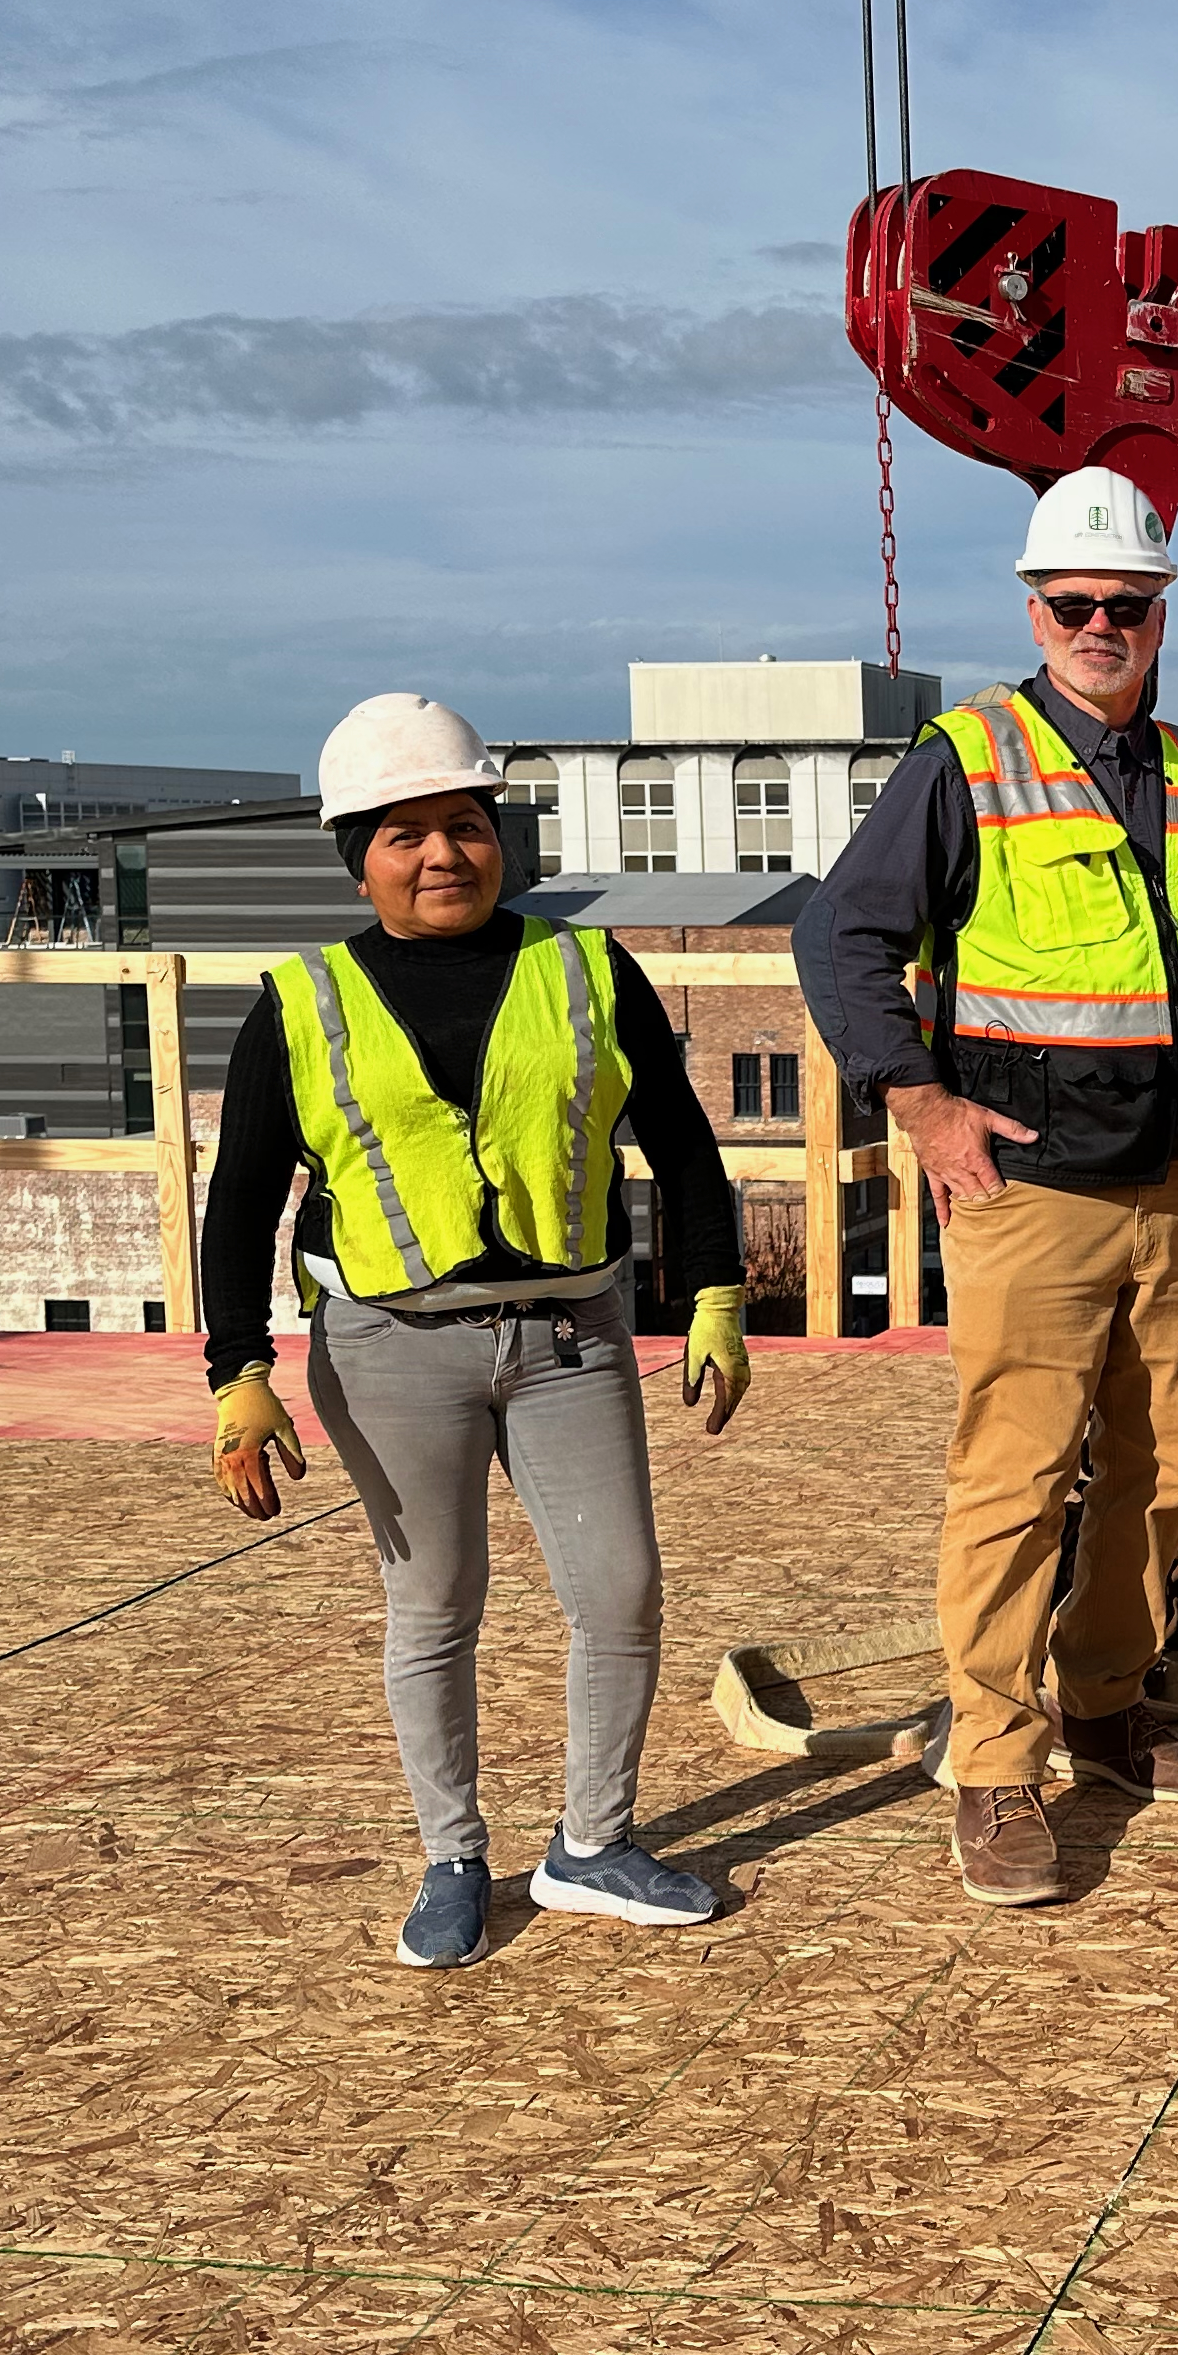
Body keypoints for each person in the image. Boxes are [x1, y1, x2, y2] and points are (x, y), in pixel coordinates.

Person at [798, 468, 1178, 1908]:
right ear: (1036, 610)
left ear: (1158, 613)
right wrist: (920, 1098)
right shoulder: (968, 760)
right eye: (1075, 604)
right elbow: (841, 941)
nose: (1100, 624)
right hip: (1030, 1193)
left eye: (1125, 606)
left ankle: (1105, 1705)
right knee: (1013, 1483)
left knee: (1156, 1477)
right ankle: (998, 1767)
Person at [202, 693, 754, 1970]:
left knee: (617, 1592)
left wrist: (715, 1299)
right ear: (359, 854)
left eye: (465, 825)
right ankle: (454, 1858)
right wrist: (240, 1375)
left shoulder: (585, 970)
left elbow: (682, 1146)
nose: (442, 854)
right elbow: (240, 1203)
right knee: (435, 1606)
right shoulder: (301, 1004)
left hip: (571, 1337)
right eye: (404, 835)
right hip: (392, 1349)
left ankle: (591, 1846)